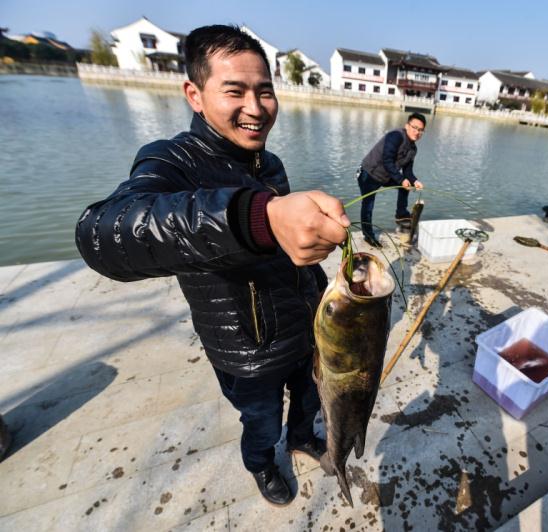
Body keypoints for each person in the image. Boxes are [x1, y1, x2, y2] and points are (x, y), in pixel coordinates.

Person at [74, 25, 350, 506]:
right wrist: (257, 218)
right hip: (246, 350)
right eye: (235, 91)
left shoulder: (271, 163)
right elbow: (104, 232)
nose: (256, 107)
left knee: (308, 399)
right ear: (194, 95)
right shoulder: (172, 160)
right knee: (261, 420)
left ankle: (303, 436)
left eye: (265, 91)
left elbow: (280, 247)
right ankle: (263, 464)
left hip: (303, 330)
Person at [358, 113, 426, 248]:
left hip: (386, 176)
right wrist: (401, 180)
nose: (417, 132)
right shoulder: (395, 136)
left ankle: (401, 213)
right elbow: (387, 160)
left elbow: (407, 172)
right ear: (407, 125)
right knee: (368, 206)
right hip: (369, 174)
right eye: (414, 127)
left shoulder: (413, 149)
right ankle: (368, 235)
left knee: (406, 186)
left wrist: (415, 181)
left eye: (420, 130)